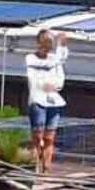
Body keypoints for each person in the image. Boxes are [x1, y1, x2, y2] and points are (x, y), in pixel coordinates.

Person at [25, 30, 69, 173]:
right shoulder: (30, 58)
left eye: (49, 43)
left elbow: (60, 80)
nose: (47, 46)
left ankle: (46, 169)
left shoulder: (54, 59)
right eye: (44, 42)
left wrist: (61, 46)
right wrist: (61, 48)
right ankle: (34, 166)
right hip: (38, 99)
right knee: (37, 135)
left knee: (49, 137)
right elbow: (41, 71)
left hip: (54, 101)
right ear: (38, 43)